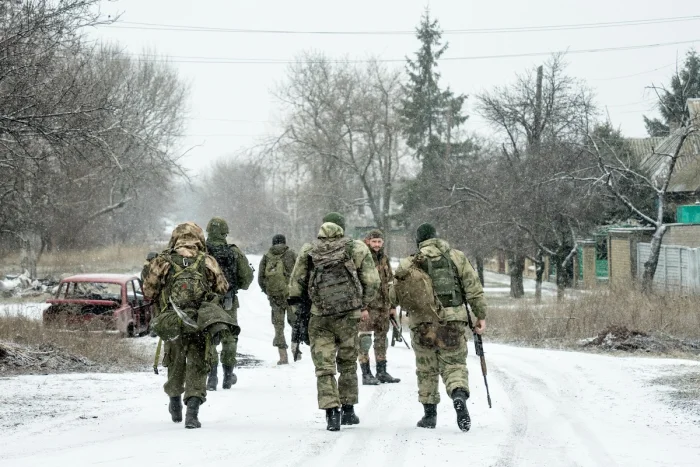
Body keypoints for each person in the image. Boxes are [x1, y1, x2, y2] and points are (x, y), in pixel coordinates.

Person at [288, 212, 379, 431]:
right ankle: (348, 410)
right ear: (343, 228)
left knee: (325, 366)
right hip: (349, 315)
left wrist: (298, 314)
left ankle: (331, 412)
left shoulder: (309, 250)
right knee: (347, 362)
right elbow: (373, 281)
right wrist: (360, 303)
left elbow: (295, 285)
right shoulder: (356, 248)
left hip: (319, 316)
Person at [393, 223, 487, 432]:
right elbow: (473, 289)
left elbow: (394, 295)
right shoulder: (456, 257)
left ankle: (429, 416)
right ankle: (458, 395)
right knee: (454, 364)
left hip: (422, 323)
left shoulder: (410, 262)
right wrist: (480, 315)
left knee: (426, 369)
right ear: (437, 236)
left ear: (419, 241)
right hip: (453, 321)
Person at [143, 222, 230, 429]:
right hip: (199, 322)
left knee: (174, 362)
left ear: (175, 238)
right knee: (198, 364)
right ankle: (192, 412)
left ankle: (174, 400)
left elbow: (149, 292)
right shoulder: (207, 260)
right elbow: (222, 288)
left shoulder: (163, 261)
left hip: (172, 322)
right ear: (199, 238)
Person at [204, 217, 254, 390]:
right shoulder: (233, 252)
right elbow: (246, 279)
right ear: (225, 232)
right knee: (229, 337)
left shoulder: (200, 252)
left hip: (206, 302)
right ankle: (227, 375)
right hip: (228, 300)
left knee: (208, 337)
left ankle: (211, 377)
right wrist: (233, 286)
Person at [358, 229, 400, 385]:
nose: (376, 244)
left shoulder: (384, 258)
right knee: (364, 340)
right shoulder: (362, 257)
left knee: (382, 340)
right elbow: (358, 284)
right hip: (367, 308)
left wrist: (393, 305)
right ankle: (366, 373)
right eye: (374, 241)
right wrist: (362, 307)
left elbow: (390, 283)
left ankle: (381, 372)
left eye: (379, 241)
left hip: (383, 306)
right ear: (368, 241)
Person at [258, 234, 298, 364]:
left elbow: (260, 279)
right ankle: (296, 350)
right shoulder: (292, 254)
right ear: (284, 242)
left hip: (275, 297)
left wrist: (269, 292)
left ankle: (283, 356)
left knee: (278, 326)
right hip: (291, 295)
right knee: (295, 323)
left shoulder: (266, 257)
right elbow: (300, 273)